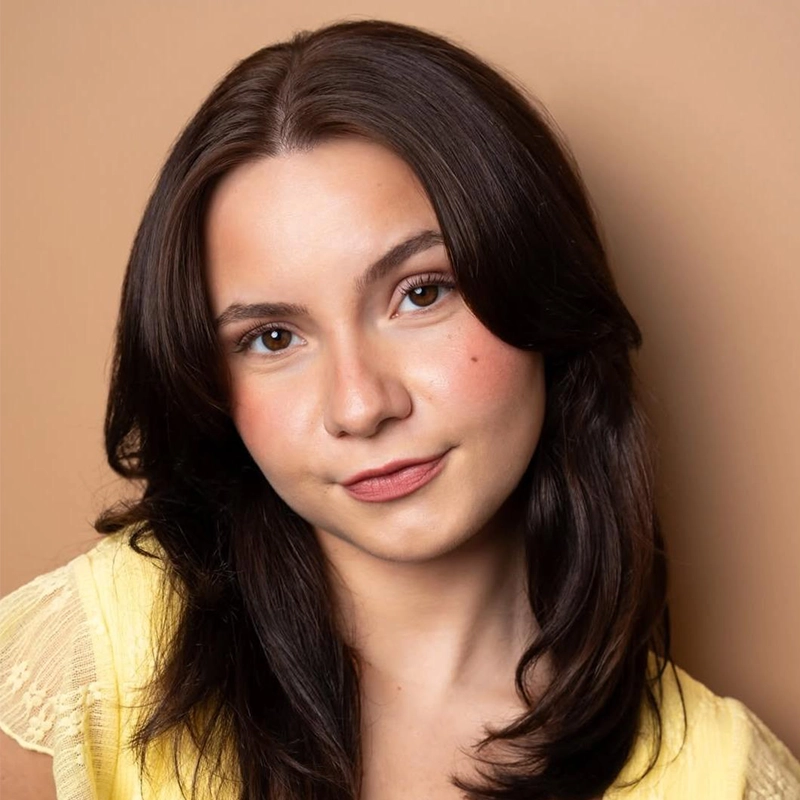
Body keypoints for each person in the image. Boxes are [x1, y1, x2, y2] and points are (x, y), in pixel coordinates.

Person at [1, 17, 798, 800]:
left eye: (421, 293)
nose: (360, 405)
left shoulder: (721, 777)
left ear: (537, 286)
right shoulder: (83, 666)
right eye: (273, 336)